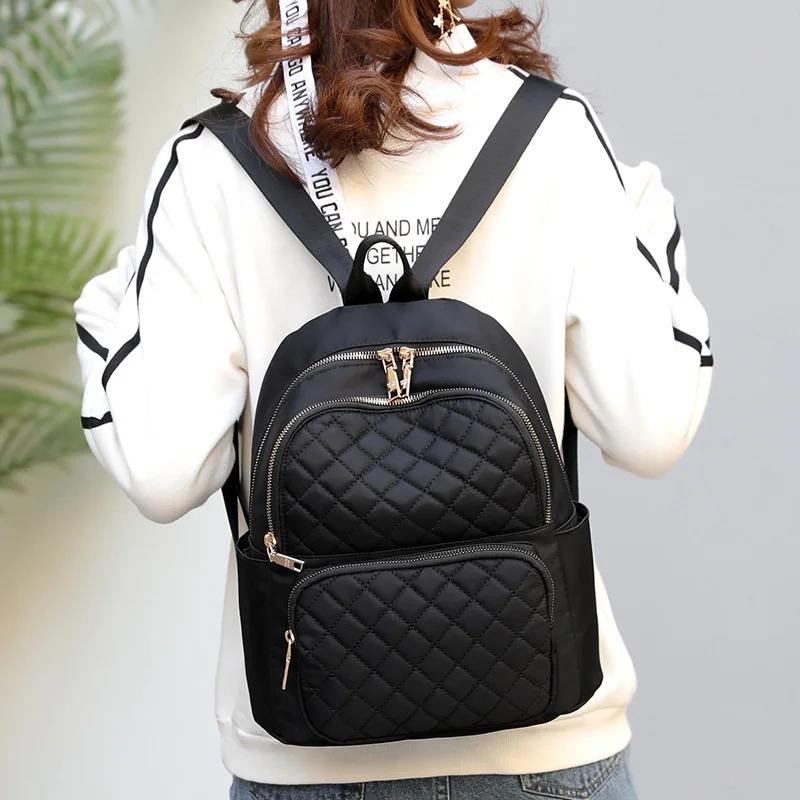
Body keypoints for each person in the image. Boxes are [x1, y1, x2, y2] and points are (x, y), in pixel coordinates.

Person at [74, 1, 712, 798]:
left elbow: (160, 471)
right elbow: (651, 431)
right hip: (545, 751)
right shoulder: (552, 130)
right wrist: (648, 215)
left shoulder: (213, 163)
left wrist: (108, 306)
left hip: (307, 757)